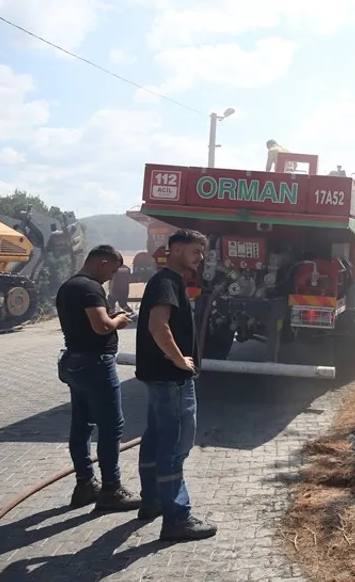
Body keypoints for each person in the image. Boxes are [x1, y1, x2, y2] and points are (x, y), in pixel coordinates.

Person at [135, 229, 218, 541]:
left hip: (159, 378)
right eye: (196, 251)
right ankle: (177, 519)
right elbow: (158, 325)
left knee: (156, 437)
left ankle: (152, 500)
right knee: (174, 446)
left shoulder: (165, 281)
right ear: (177, 249)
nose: (200, 258)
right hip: (171, 380)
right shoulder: (167, 282)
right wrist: (179, 359)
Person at [55, 245, 141, 511]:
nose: (112, 277)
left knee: (81, 425)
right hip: (95, 364)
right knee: (111, 426)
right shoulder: (91, 289)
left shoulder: (68, 286)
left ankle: (84, 485)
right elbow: (101, 326)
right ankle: (111, 489)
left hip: (74, 361)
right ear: (102, 263)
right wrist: (119, 320)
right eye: (112, 270)